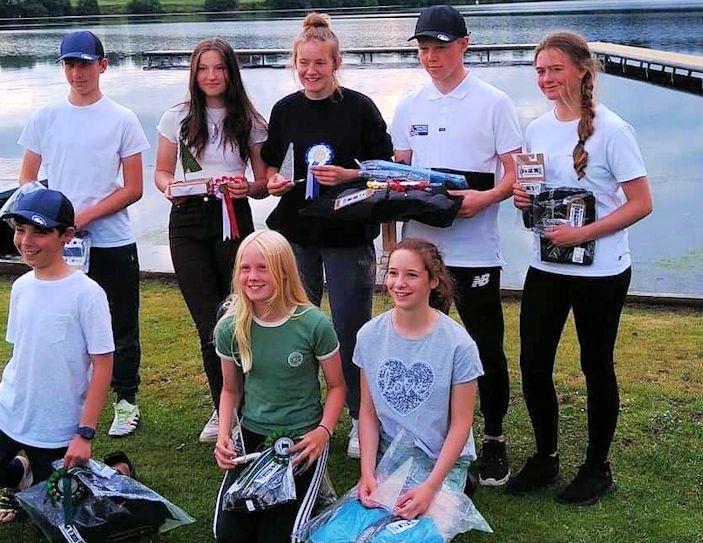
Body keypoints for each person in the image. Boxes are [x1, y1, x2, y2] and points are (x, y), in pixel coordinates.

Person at [506, 32, 652, 505]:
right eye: (540, 70)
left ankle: (597, 468)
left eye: (555, 69)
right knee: (533, 365)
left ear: (582, 70)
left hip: (602, 273)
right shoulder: (536, 129)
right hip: (545, 266)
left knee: (595, 367)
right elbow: (533, 201)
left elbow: (641, 203)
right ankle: (546, 458)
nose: (546, 78)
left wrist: (582, 235)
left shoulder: (613, 130)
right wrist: (522, 200)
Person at [390, 4, 522, 485]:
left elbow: (516, 172)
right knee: (425, 348)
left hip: (475, 251)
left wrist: (484, 197)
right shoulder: (408, 106)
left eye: (441, 47)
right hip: (422, 253)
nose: (431, 57)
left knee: (483, 347)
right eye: (424, 48)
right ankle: (434, 439)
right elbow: (399, 173)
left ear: (464, 45)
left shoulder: (494, 102)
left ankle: (492, 440)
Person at [262, 12, 393, 458]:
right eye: (304, 63)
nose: (311, 71)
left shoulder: (360, 107)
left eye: (320, 63)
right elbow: (270, 166)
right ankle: (304, 417)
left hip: (348, 237)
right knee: (296, 327)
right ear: (294, 63)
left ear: (337, 62)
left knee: (350, 329)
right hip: (296, 235)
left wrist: (351, 174)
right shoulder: (284, 110)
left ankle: (360, 419)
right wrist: (274, 182)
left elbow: (384, 170)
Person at [0, 189, 114, 523]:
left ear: (67, 236)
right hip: (8, 414)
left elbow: (103, 365)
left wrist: (84, 434)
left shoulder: (88, 294)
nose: (26, 241)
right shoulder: (20, 287)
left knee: (63, 520)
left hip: (57, 428)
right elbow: (21, 354)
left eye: (39, 231)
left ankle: (42, 474)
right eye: (20, 230)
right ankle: (17, 473)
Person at [18, 30, 150, 438]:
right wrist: (54, 221)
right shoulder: (45, 117)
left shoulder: (123, 118)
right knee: (65, 323)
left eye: (85, 64)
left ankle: (125, 401)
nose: (78, 72)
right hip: (61, 243)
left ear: (103, 66)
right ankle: (73, 400)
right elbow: (27, 179)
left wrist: (85, 215)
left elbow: (133, 188)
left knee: (119, 323)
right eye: (70, 64)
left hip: (110, 241)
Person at [154, 38, 268, 444]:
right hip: (187, 221)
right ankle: (222, 407)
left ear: (230, 72)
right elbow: (162, 173)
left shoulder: (250, 120)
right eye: (203, 69)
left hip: (234, 217)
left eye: (219, 68)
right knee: (207, 320)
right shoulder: (177, 117)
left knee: (239, 314)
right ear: (194, 74)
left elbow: (262, 184)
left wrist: (247, 186)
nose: (211, 76)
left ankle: (250, 405)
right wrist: (172, 189)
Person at [212, 230, 347, 543]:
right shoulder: (231, 326)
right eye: (245, 268)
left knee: (280, 536)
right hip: (251, 438)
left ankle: (318, 492)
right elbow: (231, 390)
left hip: (301, 440)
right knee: (228, 535)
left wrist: (322, 433)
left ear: (284, 271)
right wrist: (223, 437)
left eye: (263, 268)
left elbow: (338, 387)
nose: (253, 277)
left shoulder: (314, 324)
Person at [354, 238, 483, 522]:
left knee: (415, 530)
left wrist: (431, 487)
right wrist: (367, 473)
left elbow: (462, 424)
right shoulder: (369, 336)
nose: (399, 283)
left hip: (442, 461)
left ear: (433, 281)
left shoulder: (459, 345)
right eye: (393, 273)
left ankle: (459, 487)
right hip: (391, 455)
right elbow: (368, 412)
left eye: (411, 275)